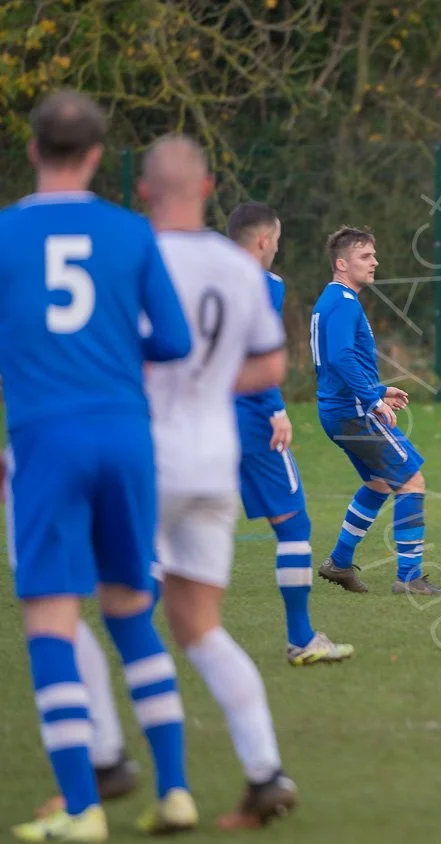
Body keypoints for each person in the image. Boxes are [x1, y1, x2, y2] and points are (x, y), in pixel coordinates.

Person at [0, 90, 195, 842]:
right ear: (93, 157)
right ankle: (175, 792)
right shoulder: (129, 232)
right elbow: (173, 341)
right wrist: (113, 353)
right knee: (128, 610)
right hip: (125, 434)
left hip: (47, 439)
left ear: (31, 150)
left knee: (51, 617)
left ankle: (82, 810)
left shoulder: (7, 236)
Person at [139, 134, 299, 827]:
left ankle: (112, 774)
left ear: (144, 192)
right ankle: (264, 771)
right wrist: (209, 385)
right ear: (208, 192)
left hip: (146, 456)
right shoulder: (239, 270)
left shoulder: (134, 256)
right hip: (212, 460)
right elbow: (270, 368)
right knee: (199, 626)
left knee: (107, 613)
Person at [226, 201, 354, 665]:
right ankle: (301, 638)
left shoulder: (194, 276)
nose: (276, 250)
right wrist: (275, 408)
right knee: (294, 526)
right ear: (263, 241)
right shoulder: (266, 285)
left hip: (195, 421)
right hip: (249, 418)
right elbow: (256, 353)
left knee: (169, 532)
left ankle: (136, 634)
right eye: (276, 242)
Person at [311, 227, 441, 595]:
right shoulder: (342, 302)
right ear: (342, 263)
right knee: (412, 481)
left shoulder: (333, 300)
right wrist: (372, 400)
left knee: (379, 482)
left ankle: (339, 563)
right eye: (365, 256)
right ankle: (409, 578)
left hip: (339, 409)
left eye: (373, 255)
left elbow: (341, 361)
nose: (375, 262)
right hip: (352, 412)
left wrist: (379, 389)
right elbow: (339, 357)